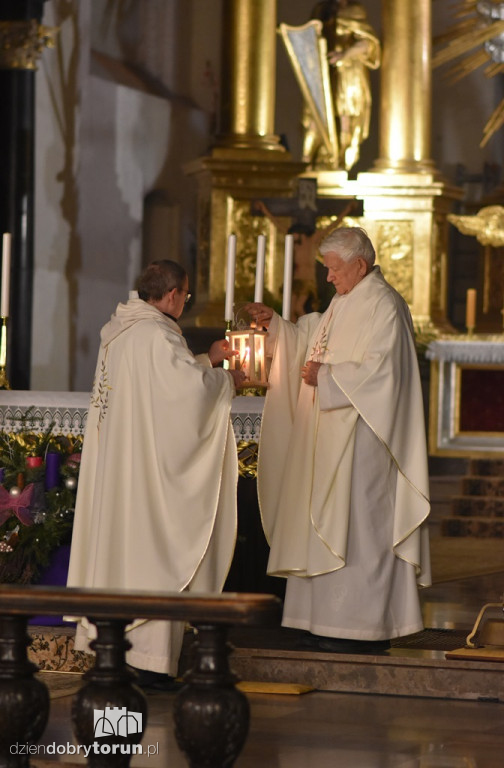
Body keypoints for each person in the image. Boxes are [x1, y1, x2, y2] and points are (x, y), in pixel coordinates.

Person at [246, 227, 431, 653]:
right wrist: (277, 327)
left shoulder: (384, 305)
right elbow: (312, 339)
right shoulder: (345, 301)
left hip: (363, 440)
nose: (328, 278)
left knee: (359, 529)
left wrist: (326, 376)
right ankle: (321, 620)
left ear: (359, 265)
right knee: (326, 520)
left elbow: (384, 372)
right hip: (328, 437)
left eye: (333, 269)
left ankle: (361, 628)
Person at [67, 260, 246, 688]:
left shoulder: (122, 331)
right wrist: (228, 380)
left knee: (121, 555)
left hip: (122, 471)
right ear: (170, 295)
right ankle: (149, 660)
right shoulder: (158, 333)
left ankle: (116, 653)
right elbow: (186, 394)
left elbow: (158, 385)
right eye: (184, 295)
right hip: (148, 476)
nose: (183, 302)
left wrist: (207, 358)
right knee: (156, 552)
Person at [302, 0, 381, 170]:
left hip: (349, 73)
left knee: (347, 117)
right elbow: (308, 39)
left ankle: (341, 162)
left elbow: (368, 43)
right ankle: (309, 161)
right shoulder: (321, 9)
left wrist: (345, 54)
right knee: (315, 118)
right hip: (323, 72)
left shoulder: (356, 11)